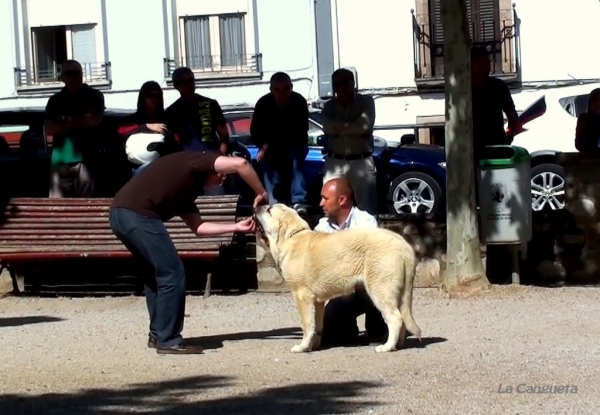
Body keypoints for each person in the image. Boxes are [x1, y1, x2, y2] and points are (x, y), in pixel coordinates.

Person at [109, 150, 268, 354]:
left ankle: (158, 335)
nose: (221, 179)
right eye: (221, 174)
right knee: (172, 273)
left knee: (156, 274)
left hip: (121, 215)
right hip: (136, 215)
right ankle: (168, 340)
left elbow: (199, 228)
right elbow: (241, 164)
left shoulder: (187, 190)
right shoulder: (195, 160)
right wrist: (261, 193)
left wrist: (235, 227)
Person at [313, 178, 388, 347]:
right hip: (340, 290)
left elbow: (368, 260)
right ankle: (348, 329)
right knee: (330, 334)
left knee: (368, 283)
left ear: (342, 200)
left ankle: (377, 327)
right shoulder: (322, 226)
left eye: (325, 198)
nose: (320, 203)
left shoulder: (365, 222)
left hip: (365, 286)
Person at [250, 72, 310, 214]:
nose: (282, 94)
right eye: (277, 90)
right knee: (268, 166)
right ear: (271, 90)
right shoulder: (263, 104)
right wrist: (264, 146)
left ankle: (299, 201)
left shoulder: (298, 102)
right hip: (272, 153)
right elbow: (255, 131)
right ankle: (274, 204)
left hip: (293, 146)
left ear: (291, 88)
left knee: (295, 156)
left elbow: (299, 131)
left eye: (286, 90)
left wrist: (268, 144)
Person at [44, 59, 105, 198]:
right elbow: (49, 129)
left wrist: (65, 119)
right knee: (59, 209)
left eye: (77, 73)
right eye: (68, 73)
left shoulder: (93, 95)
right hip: (60, 162)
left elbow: (94, 120)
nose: (73, 76)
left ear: (82, 74)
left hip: (87, 161)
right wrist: (80, 121)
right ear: (62, 77)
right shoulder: (55, 100)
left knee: (87, 207)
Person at [321, 69, 378, 215]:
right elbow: (327, 127)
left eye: (345, 83)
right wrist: (353, 126)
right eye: (337, 84)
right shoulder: (329, 106)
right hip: (335, 161)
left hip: (361, 161)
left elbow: (365, 126)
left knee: (367, 211)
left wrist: (339, 128)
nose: (341, 87)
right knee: (332, 208)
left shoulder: (366, 101)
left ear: (353, 83)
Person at [166, 67, 230, 195]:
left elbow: (224, 136)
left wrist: (220, 162)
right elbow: (171, 145)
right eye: (184, 82)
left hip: (211, 164)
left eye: (191, 80)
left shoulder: (210, 104)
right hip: (186, 167)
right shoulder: (171, 112)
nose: (189, 84)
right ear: (176, 85)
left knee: (216, 206)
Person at [118, 81, 181, 176]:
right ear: (143, 98)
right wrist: (145, 127)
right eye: (150, 96)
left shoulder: (167, 119)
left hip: (164, 165)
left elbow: (177, 141)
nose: (155, 100)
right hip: (139, 167)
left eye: (158, 96)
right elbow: (121, 131)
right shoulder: (134, 119)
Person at [471, 46, 520, 161]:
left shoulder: (499, 87)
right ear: (470, 65)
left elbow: (512, 115)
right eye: (479, 63)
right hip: (472, 154)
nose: (485, 67)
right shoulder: (463, 91)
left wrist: (510, 135)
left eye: (487, 62)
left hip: (498, 150)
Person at [575, 88, 600, 154]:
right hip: (588, 159)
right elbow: (578, 144)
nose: (598, 103)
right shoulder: (584, 119)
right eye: (595, 100)